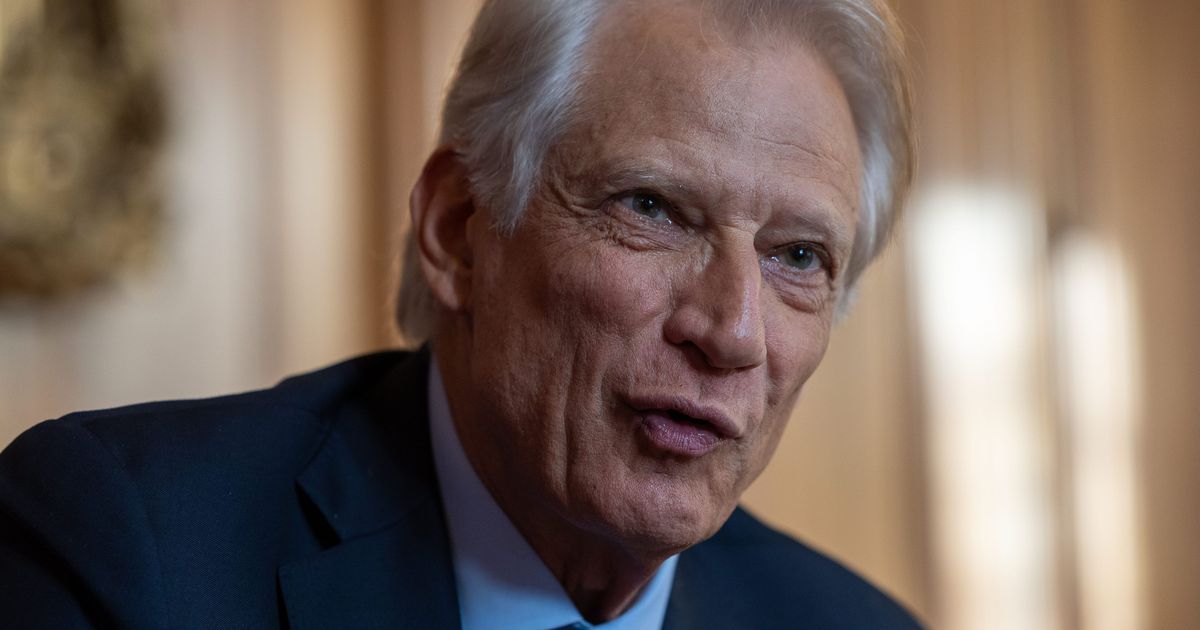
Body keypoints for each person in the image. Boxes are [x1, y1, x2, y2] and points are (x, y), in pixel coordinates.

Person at [0, 0, 919, 627]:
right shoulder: (126, 556)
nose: (733, 333)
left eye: (798, 257)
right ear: (457, 229)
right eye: (652, 208)